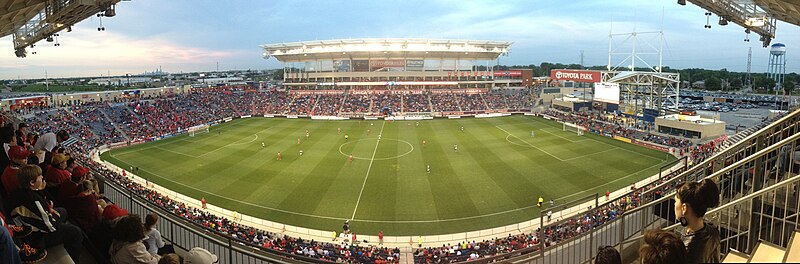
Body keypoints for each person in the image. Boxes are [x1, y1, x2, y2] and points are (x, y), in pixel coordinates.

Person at [11, 165, 83, 263]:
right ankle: (75, 260)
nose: (42, 178)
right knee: (76, 232)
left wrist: (49, 210)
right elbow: (50, 226)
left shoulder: (21, 192)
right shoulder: (33, 200)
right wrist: (54, 215)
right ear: (32, 182)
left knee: (63, 211)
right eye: (40, 176)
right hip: (36, 236)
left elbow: (41, 209)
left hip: (31, 225)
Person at [674, 179, 721, 264]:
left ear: (684, 208)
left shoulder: (685, 249)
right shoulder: (714, 232)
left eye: (675, 202)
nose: (674, 205)